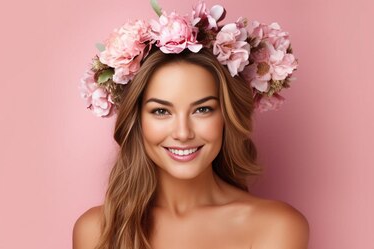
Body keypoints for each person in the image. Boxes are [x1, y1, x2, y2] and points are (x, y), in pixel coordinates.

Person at [74, 1, 309, 248]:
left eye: (202, 109)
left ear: (226, 117)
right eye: (161, 111)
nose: (183, 133)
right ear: (137, 120)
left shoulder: (276, 226)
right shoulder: (96, 231)